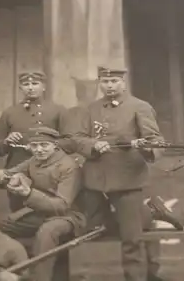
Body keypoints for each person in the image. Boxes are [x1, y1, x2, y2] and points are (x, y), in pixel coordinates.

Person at [71, 65, 174, 281]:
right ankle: (150, 214)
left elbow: (155, 141)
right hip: (95, 182)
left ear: (123, 82)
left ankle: (136, 277)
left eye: (114, 81)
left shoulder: (140, 107)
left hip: (128, 180)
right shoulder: (90, 109)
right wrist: (93, 144)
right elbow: (77, 138)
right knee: (92, 228)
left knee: (131, 239)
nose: (109, 86)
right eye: (105, 82)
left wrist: (145, 147)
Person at [0, 126, 85, 281]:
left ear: (55, 145)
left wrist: (29, 194)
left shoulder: (68, 166)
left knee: (47, 232)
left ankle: (39, 278)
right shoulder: (34, 160)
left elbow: (61, 206)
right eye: (34, 146)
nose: (39, 150)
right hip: (39, 212)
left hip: (68, 216)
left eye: (44, 145)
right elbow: (9, 173)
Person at [0, 71, 69, 212]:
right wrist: (7, 141)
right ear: (20, 88)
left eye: (35, 84)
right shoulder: (10, 112)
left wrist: (48, 148)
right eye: (26, 84)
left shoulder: (58, 110)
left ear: (44, 86)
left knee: (48, 207)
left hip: (49, 168)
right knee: (18, 210)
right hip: (18, 165)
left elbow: (69, 141)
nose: (30, 87)